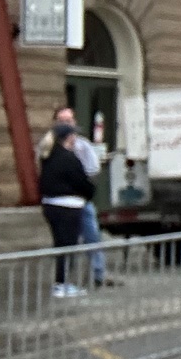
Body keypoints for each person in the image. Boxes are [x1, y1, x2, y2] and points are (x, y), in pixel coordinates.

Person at [54, 106, 112, 288]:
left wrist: (80, 180)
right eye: (62, 121)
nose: (66, 124)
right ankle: (65, 279)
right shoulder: (49, 146)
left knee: (92, 235)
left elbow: (93, 169)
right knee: (65, 241)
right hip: (60, 202)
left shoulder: (83, 146)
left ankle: (99, 274)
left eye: (69, 120)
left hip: (81, 199)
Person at [37, 121, 95, 298]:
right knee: (68, 245)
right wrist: (90, 192)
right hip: (69, 206)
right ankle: (62, 283)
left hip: (50, 205)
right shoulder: (69, 158)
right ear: (68, 137)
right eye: (73, 135)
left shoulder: (47, 156)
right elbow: (82, 182)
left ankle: (60, 282)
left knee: (59, 244)